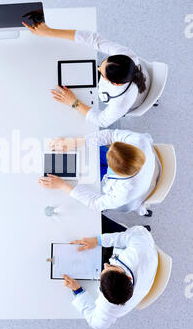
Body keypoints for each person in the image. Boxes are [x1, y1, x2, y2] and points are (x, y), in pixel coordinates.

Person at [22, 21, 150, 128]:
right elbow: (93, 39)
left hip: (135, 101)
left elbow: (102, 121)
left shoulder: (122, 100)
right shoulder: (125, 55)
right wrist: (49, 32)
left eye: (102, 73)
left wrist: (73, 102)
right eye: (103, 64)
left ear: (115, 83)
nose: (98, 69)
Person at [63, 216, 158, 329]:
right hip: (138, 249)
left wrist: (78, 291)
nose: (105, 265)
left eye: (104, 270)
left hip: (140, 273)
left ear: (103, 292)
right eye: (111, 266)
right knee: (97, 220)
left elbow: (96, 324)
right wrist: (98, 240)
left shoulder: (109, 307)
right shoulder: (137, 250)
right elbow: (134, 234)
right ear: (127, 276)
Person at [38, 128, 161, 215]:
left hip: (134, 191)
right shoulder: (138, 142)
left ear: (116, 172)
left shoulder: (125, 191)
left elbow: (96, 203)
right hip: (136, 166)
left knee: (87, 178)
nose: (109, 149)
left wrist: (62, 185)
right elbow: (110, 135)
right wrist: (73, 143)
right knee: (90, 153)